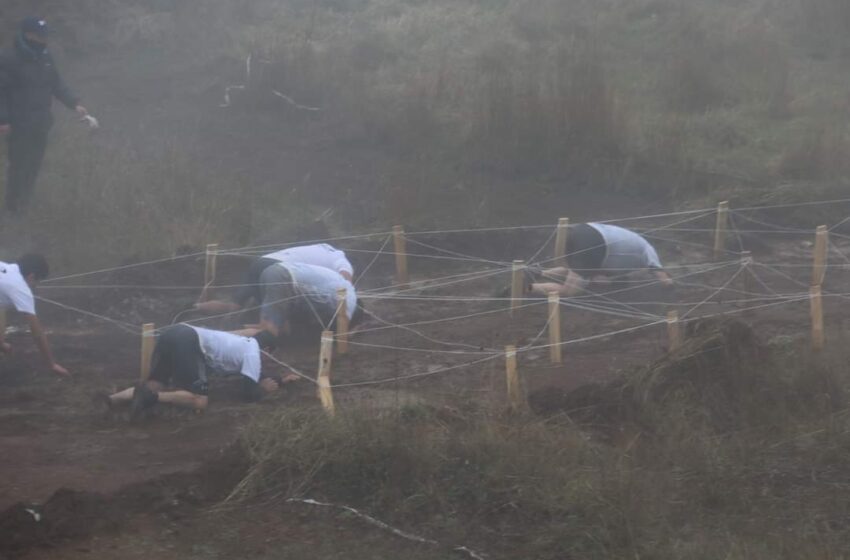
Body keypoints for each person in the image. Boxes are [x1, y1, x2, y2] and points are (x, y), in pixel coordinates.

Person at [98, 326, 287, 418]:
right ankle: (150, 398)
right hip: (190, 342)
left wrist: (281, 379)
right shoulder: (253, 352)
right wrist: (263, 390)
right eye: (272, 357)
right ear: (267, 350)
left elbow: (255, 376)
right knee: (200, 400)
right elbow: (248, 393)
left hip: (175, 333)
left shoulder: (243, 343)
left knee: (156, 383)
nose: (269, 361)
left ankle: (111, 400)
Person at [0, 17, 89, 213]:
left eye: (46, 35)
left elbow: (56, 83)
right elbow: (1, 92)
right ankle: (13, 208)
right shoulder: (8, 59)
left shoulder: (45, 57)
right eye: (41, 36)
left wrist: (74, 103)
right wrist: (3, 119)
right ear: (28, 35)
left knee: (34, 164)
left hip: (41, 122)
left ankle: (25, 202)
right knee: (19, 165)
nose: (45, 39)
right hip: (18, 123)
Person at [195, 260, 361, 337]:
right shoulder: (346, 304)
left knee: (276, 329)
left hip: (278, 272)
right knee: (268, 331)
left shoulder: (339, 287)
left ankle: (230, 329)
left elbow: (291, 327)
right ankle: (212, 338)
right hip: (283, 278)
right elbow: (337, 332)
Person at [528, 223, 673, 297]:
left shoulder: (632, 247)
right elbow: (661, 274)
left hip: (581, 231)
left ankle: (537, 273)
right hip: (597, 243)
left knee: (573, 271)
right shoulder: (649, 250)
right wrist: (670, 285)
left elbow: (604, 275)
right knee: (569, 291)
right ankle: (528, 288)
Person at [0, 253, 70, 376]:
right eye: (37, 281)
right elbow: (37, 332)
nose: (35, 286)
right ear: (31, 276)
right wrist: (51, 364)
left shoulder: (6, 268)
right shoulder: (20, 288)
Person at [262, 243, 354, 281]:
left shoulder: (322, 249)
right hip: (281, 270)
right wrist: (347, 303)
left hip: (262, 261)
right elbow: (345, 281)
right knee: (278, 319)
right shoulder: (339, 257)